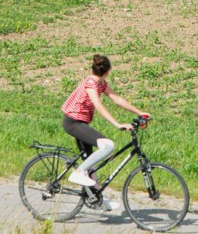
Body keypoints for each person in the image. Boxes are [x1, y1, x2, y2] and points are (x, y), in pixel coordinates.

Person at [61, 54, 149, 211]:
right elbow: (100, 107)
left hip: (81, 123)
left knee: (91, 165)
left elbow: (117, 99)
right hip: (73, 123)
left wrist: (139, 112)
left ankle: (98, 199)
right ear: (108, 71)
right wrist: (117, 124)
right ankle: (78, 172)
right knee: (108, 145)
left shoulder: (100, 83)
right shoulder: (91, 84)